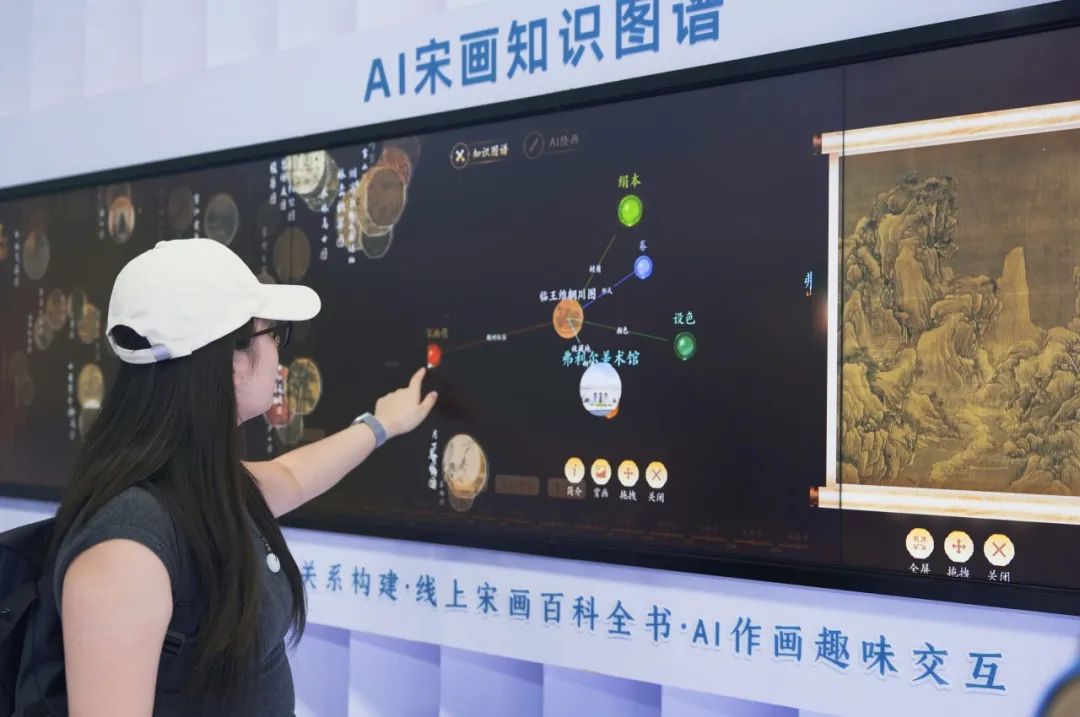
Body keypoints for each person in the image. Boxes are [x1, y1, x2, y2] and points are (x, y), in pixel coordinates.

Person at [45, 238, 436, 716]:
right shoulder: (126, 548)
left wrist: (380, 425)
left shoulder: (198, 487)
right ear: (232, 362)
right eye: (273, 334)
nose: (278, 353)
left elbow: (292, 475)